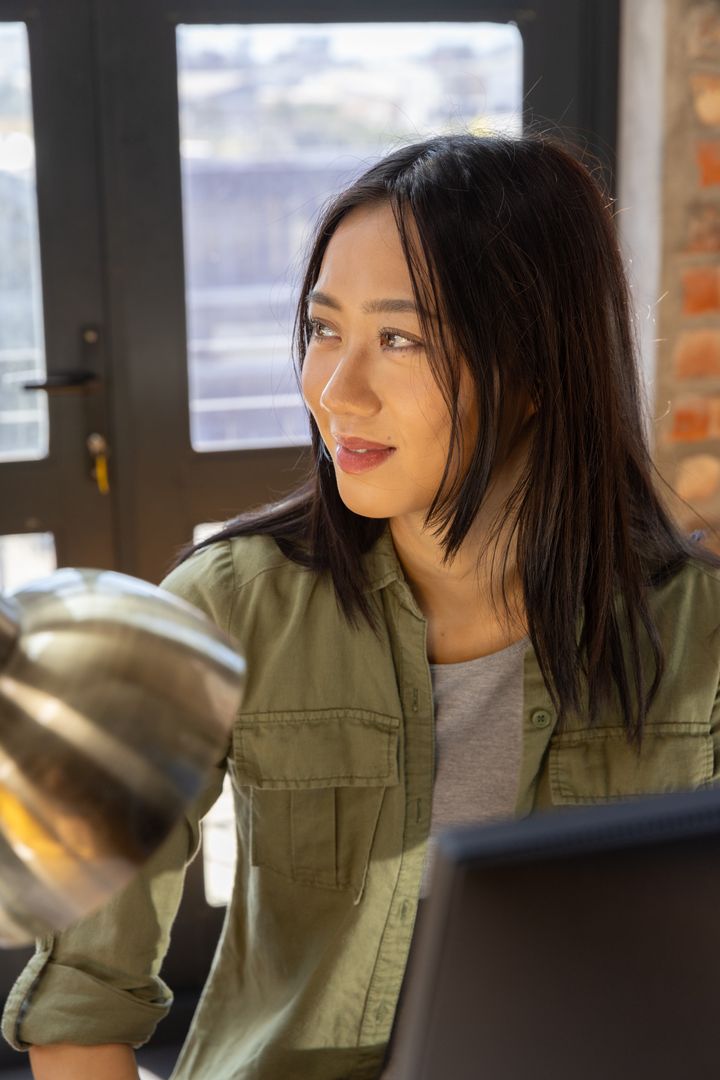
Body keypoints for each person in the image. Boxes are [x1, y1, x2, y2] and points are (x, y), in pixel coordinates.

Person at [6, 131, 720, 1080]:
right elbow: (79, 1002)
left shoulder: (700, 635)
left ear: (538, 371)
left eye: (398, 339)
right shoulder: (229, 605)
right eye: (324, 329)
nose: (335, 391)